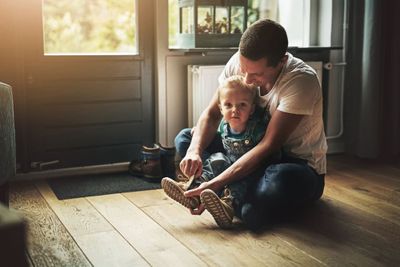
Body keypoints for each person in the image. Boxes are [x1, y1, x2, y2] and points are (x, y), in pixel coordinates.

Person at [176, 19, 327, 230]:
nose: (246, 78)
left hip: (290, 164)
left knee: (277, 182)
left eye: (256, 73)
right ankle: (230, 197)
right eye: (243, 68)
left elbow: (268, 146)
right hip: (242, 150)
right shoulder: (240, 62)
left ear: (281, 61)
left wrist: (217, 181)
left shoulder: (301, 80)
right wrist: (194, 151)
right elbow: (212, 114)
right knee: (185, 138)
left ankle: (222, 193)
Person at [162, 75, 277, 228]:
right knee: (216, 159)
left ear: (252, 109)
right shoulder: (224, 125)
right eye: (228, 105)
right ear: (220, 108)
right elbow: (214, 132)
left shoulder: (257, 129)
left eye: (242, 105)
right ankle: (195, 190)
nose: (235, 110)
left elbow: (269, 152)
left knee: (241, 183)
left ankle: (227, 205)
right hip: (229, 164)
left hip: (250, 169)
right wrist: (198, 132)